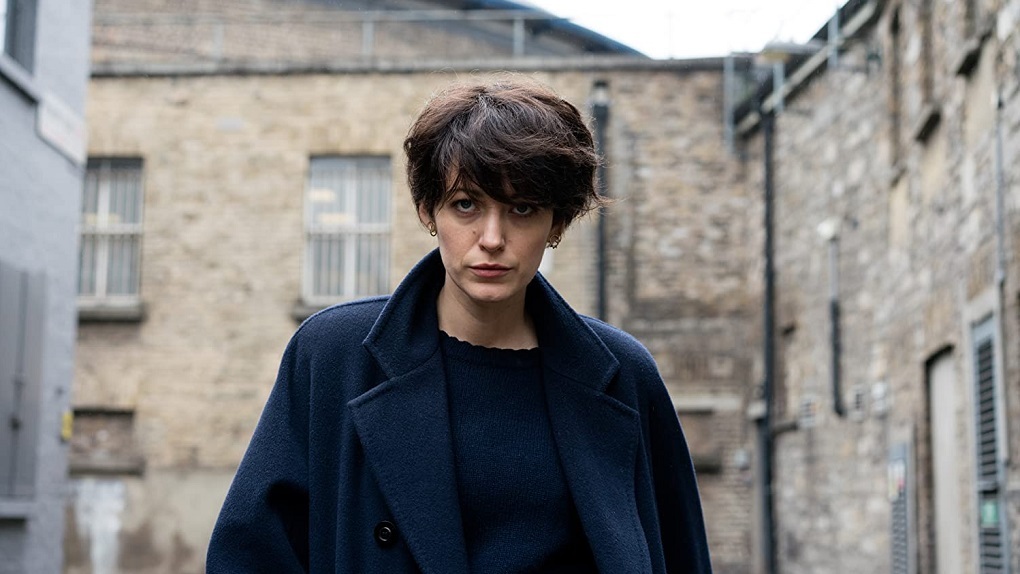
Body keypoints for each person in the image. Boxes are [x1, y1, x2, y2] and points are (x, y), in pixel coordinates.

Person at [207, 79, 712, 574]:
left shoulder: (624, 375)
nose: (491, 238)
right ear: (428, 211)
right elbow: (249, 556)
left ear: (556, 224)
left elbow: (680, 555)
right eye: (466, 204)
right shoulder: (332, 356)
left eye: (522, 208)